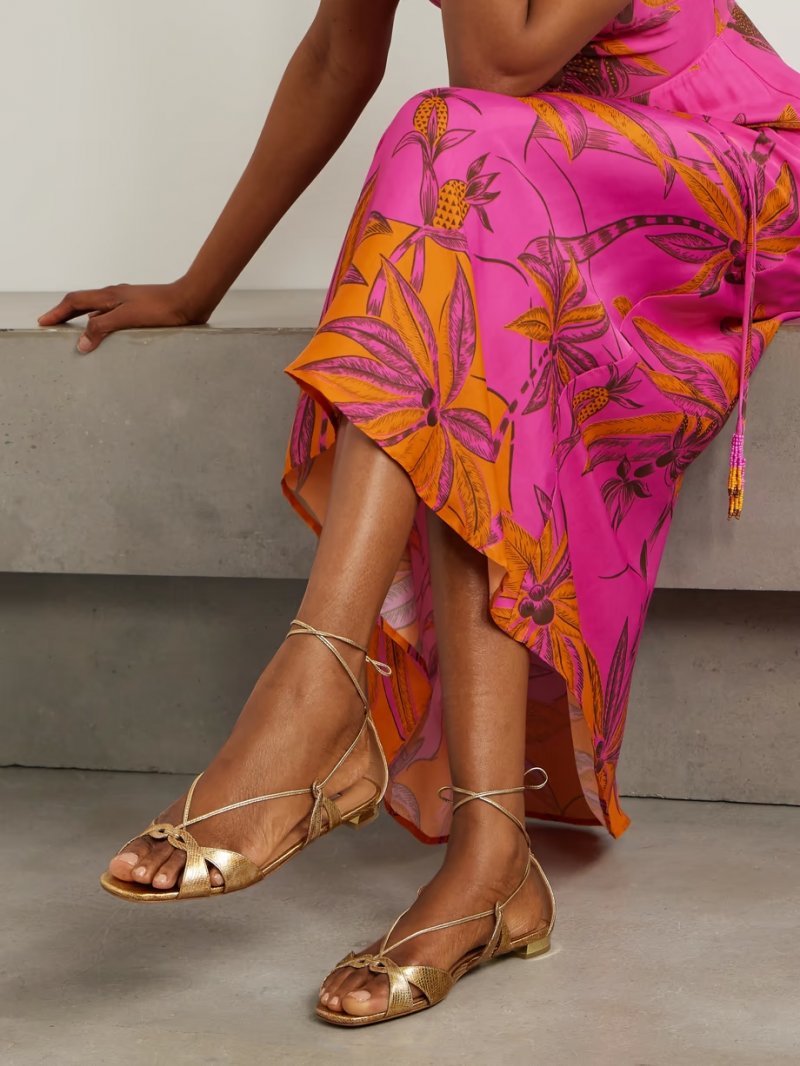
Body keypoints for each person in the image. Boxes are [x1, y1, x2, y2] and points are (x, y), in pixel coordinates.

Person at [38, 0, 800, 1028]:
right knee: (461, 226)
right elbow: (335, 54)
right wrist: (195, 286)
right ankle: (488, 861)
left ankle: (324, 688)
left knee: (453, 144)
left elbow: (497, 67)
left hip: (745, 178)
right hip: (550, 180)